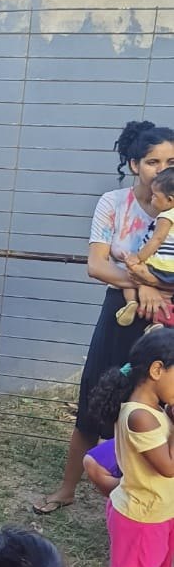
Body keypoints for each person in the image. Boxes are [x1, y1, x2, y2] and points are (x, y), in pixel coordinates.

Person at [34, 120, 174, 514]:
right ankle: (67, 489)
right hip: (120, 313)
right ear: (134, 164)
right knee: (95, 398)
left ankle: (144, 501)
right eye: (152, 161)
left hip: (167, 317)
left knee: (159, 406)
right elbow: (96, 266)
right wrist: (140, 283)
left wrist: (154, 287)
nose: (161, 169)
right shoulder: (113, 203)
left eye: (170, 161)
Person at [89, 326, 174, 567]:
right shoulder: (140, 417)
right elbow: (169, 467)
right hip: (142, 519)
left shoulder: (151, 408)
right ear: (157, 370)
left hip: (138, 511)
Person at [116, 166, 174, 323]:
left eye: (155, 196)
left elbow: (157, 240)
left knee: (130, 269)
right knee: (165, 299)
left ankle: (131, 302)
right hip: (171, 272)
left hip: (160, 265)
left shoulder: (166, 216)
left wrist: (138, 258)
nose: (152, 199)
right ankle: (159, 323)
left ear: (170, 200)